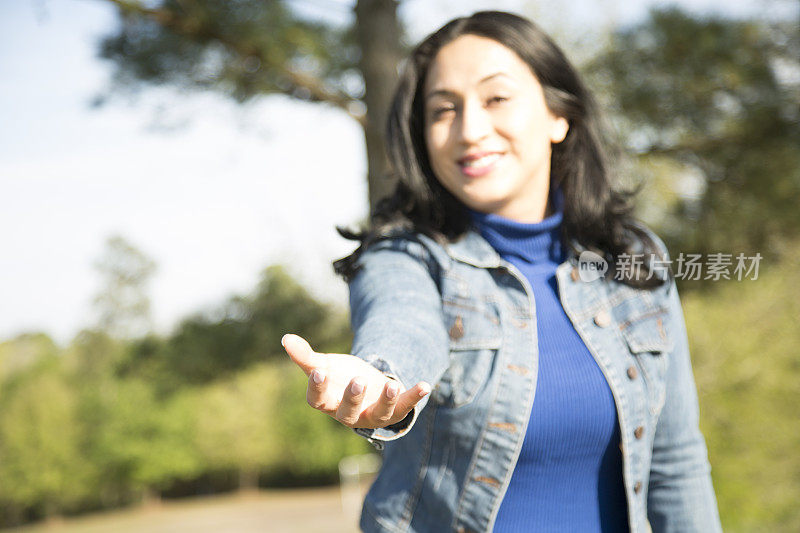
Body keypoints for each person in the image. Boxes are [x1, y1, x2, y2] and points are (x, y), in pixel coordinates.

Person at [282, 10, 722, 533]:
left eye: (496, 99)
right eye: (443, 109)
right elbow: (401, 322)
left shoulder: (633, 258)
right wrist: (380, 379)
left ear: (559, 115)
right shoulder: (405, 257)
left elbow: (676, 465)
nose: (470, 130)